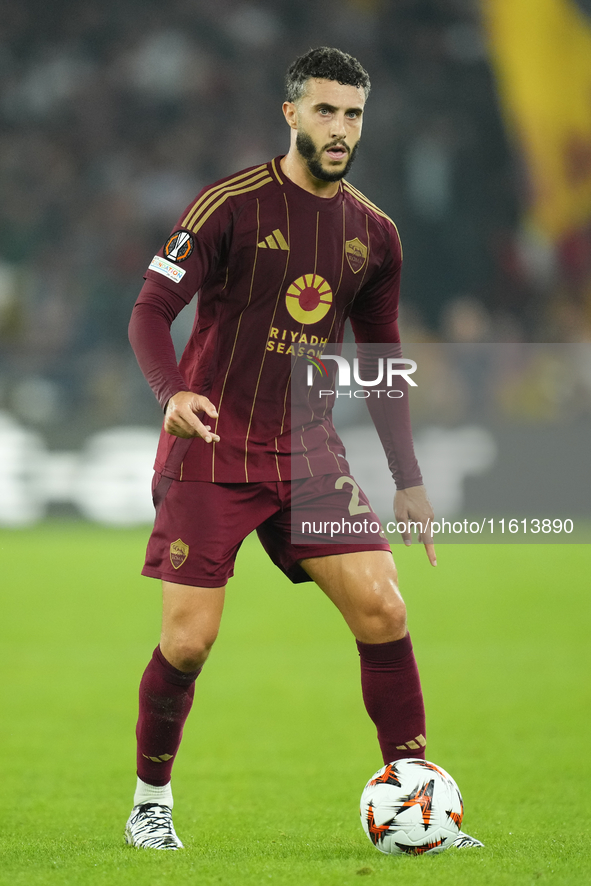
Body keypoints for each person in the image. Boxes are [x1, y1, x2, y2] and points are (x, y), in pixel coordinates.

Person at [125, 46, 483, 852]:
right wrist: (171, 394)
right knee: (188, 640)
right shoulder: (227, 205)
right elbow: (149, 311)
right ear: (290, 114)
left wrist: (409, 479)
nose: (339, 128)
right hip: (213, 444)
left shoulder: (374, 235)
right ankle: (150, 800)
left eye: (352, 114)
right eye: (324, 110)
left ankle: (416, 799)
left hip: (308, 453)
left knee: (384, 609)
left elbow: (382, 362)